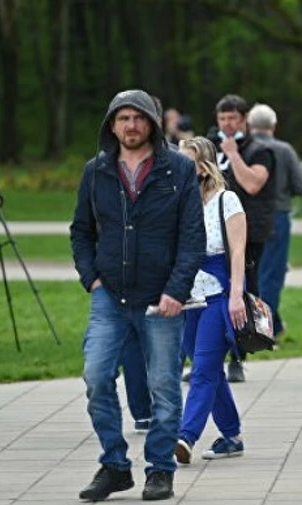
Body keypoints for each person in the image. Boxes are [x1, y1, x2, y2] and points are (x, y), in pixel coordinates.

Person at [70, 89, 205, 501]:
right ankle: (114, 465)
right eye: (122, 118)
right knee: (96, 377)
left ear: (152, 123)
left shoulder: (178, 170)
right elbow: (80, 230)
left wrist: (176, 290)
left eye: (138, 118)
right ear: (112, 125)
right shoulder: (96, 171)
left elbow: (192, 237)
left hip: (162, 298)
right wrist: (90, 277)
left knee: (163, 386)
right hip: (109, 295)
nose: (131, 125)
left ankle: (160, 469)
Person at [175, 137, 248, 464]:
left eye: (186, 161)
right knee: (208, 368)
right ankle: (231, 434)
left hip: (219, 294)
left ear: (204, 166)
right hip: (188, 297)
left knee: (203, 369)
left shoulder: (226, 200)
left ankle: (184, 437)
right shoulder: (179, 201)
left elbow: (237, 252)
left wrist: (236, 296)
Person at [208, 94, 275, 382]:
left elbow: (252, 184)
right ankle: (208, 356)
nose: (227, 124)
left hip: (248, 232)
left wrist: (234, 153)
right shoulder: (209, 147)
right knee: (210, 293)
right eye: (223, 119)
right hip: (211, 232)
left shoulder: (259, 150)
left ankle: (239, 355)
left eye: (233, 118)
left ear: (244, 119)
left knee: (242, 290)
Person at [248, 103, 302, 336]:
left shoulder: (247, 149)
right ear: (273, 125)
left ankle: (275, 324)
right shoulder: (284, 150)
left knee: (253, 272)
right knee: (272, 274)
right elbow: (300, 185)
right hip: (277, 215)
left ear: (250, 125)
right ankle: (264, 329)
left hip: (248, 217)